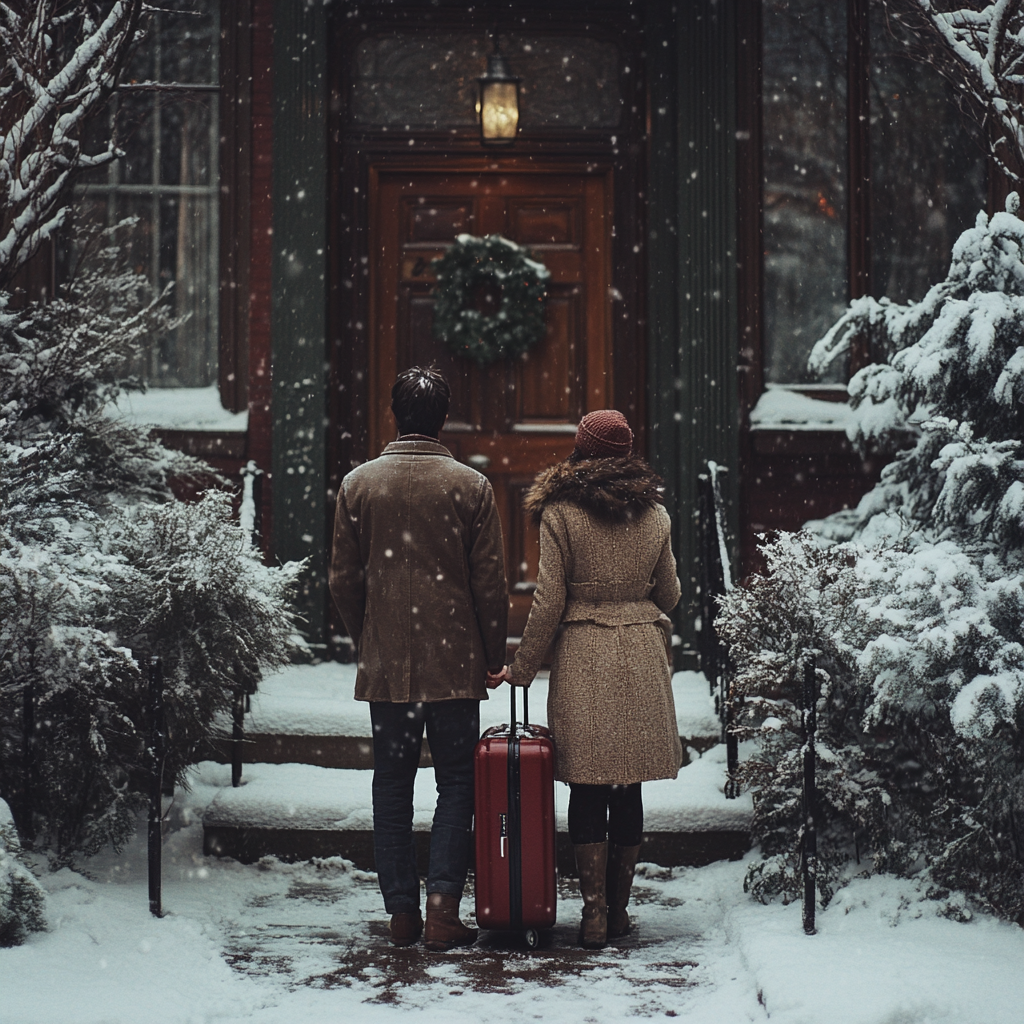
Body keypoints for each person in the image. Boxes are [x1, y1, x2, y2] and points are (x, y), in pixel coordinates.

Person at [487, 409, 682, 949]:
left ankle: (592, 915)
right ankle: (618, 912)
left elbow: (549, 599)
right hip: (640, 652)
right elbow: (670, 595)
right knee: (629, 783)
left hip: (583, 653)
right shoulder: (655, 514)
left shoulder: (561, 511)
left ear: (581, 449)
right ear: (628, 452)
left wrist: (522, 667)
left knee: (588, 783)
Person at [329, 367, 508, 951]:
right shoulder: (470, 487)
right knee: (459, 783)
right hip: (453, 663)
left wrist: (370, 634)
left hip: (389, 666)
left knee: (392, 784)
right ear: (443, 418)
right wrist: (491, 648)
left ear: (394, 415)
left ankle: (401, 911)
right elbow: (489, 583)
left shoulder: (359, 485)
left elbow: (342, 579)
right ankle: (442, 908)